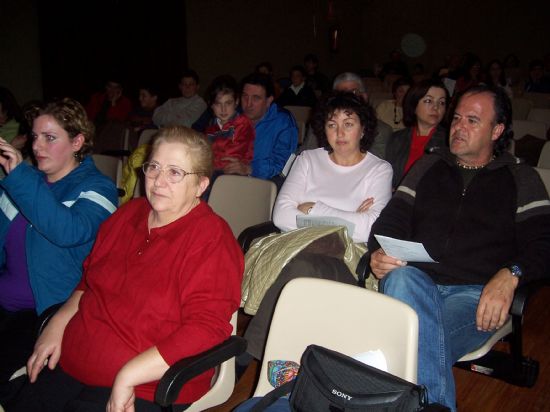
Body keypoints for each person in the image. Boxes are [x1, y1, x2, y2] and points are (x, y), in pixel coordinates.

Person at [6, 126, 244, 412]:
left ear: (201, 185)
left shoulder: (211, 239)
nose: (158, 181)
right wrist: (57, 325)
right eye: (153, 167)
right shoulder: (128, 215)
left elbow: (206, 329)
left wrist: (129, 374)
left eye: (175, 172)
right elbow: (89, 281)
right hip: (71, 363)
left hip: (146, 384)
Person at [367, 85, 550, 411]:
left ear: (496, 130)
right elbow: (388, 224)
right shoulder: (427, 167)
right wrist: (378, 254)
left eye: (472, 121)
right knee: (402, 284)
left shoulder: (521, 178)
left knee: (399, 347)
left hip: (476, 296)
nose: (458, 127)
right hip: (415, 284)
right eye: (456, 119)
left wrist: (511, 274)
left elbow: (544, 244)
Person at [241, 91, 393, 362]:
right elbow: (281, 216)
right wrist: (348, 215)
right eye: (332, 124)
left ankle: (247, 355)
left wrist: (312, 208)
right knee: (303, 268)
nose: (340, 132)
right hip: (301, 252)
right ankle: (283, 361)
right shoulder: (308, 159)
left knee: (301, 269)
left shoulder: (379, 170)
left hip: (348, 261)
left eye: (349, 123)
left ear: (363, 129)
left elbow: (368, 230)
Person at [0, 98, 118, 383]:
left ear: (77, 142)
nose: (37, 146)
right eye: (35, 136)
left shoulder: (99, 188)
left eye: (50, 138)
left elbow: (67, 231)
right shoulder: (24, 180)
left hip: (44, 314)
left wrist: (18, 178)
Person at [300, 72, 393, 160]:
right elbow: (304, 154)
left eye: (353, 93)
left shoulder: (381, 130)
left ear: (364, 97)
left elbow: (373, 166)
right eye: (341, 94)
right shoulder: (318, 125)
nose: (347, 100)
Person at [224, 73, 297, 183]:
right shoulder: (234, 116)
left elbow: (281, 165)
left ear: (269, 100)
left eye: (256, 98)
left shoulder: (284, 122)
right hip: (233, 178)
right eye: (245, 96)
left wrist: (249, 168)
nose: (248, 104)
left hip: (266, 183)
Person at [385, 78, 449, 188]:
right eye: (429, 101)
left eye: (442, 102)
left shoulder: (450, 142)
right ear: (414, 106)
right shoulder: (396, 139)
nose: (436, 107)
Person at [203, 75, 255, 191]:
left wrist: (209, 162)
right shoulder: (211, 126)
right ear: (211, 105)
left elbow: (232, 154)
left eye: (228, 103)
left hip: (235, 171)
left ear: (236, 102)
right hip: (216, 170)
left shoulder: (243, 123)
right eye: (218, 104)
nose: (223, 109)